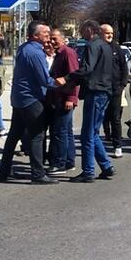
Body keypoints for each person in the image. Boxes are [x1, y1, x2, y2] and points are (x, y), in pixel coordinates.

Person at [67, 20, 128, 182]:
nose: (81, 33)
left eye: (82, 30)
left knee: (87, 134)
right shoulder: (106, 47)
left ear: (89, 29)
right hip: (105, 91)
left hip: (95, 91)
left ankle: (88, 171)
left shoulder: (93, 46)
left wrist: (67, 78)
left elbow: (87, 69)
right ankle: (106, 166)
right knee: (93, 132)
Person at [0, 22, 59, 184]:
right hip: (31, 99)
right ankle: (38, 174)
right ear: (35, 35)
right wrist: (63, 82)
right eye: (45, 32)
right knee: (37, 135)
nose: (48, 35)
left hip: (19, 98)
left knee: (14, 135)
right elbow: (45, 80)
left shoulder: (24, 48)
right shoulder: (35, 53)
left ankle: (4, 171)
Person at [47, 28, 79, 172]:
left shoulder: (67, 53)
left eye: (55, 38)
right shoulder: (59, 54)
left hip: (65, 98)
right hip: (59, 97)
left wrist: (71, 98)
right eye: (51, 39)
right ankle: (69, 161)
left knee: (59, 131)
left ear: (62, 38)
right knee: (66, 131)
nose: (52, 41)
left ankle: (59, 163)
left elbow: (74, 77)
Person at [100, 24, 128, 157]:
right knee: (102, 116)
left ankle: (118, 146)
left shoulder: (117, 48)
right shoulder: (97, 47)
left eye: (111, 33)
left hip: (115, 88)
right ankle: (105, 136)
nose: (110, 35)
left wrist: (122, 84)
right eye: (107, 33)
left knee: (116, 118)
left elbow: (124, 67)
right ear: (100, 33)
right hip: (101, 88)